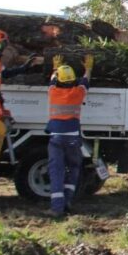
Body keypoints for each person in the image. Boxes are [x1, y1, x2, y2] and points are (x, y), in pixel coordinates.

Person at [45, 55, 93, 218]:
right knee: (73, 168)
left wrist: (55, 68)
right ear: (73, 81)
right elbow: (86, 80)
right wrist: (88, 68)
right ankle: (68, 201)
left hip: (56, 138)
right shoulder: (78, 93)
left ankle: (57, 208)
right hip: (73, 138)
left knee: (56, 171)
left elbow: (52, 80)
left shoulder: (53, 92)